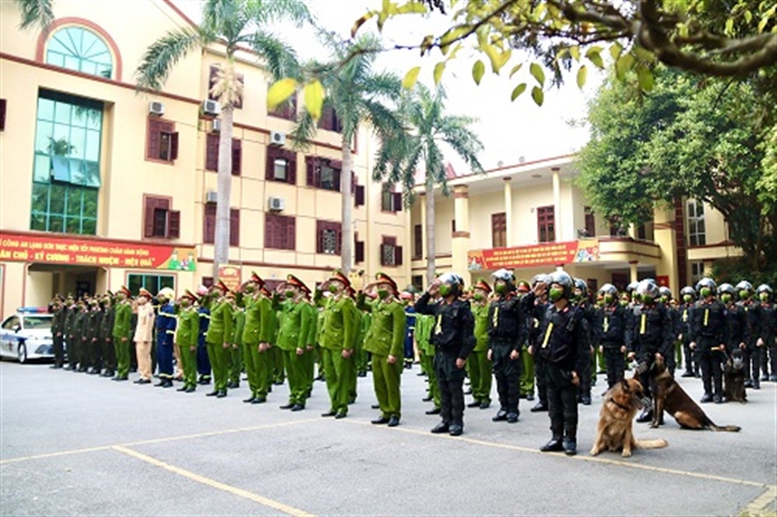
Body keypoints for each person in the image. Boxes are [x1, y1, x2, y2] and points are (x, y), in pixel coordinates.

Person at [527, 270, 588, 456]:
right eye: (551, 286)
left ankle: (570, 439)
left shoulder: (576, 315)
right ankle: (556, 437)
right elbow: (524, 310)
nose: (553, 290)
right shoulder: (547, 310)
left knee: (569, 407)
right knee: (553, 406)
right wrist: (533, 295)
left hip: (566, 367)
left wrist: (577, 371)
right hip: (548, 366)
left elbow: (583, 348)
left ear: (566, 290)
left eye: (557, 287)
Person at [415, 273, 475, 437]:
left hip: (453, 353)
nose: (442, 287)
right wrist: (429, 292)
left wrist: (462, 356)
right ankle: (445, 419)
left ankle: (457, 421)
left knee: (455, 390)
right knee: (443, 389)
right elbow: (419, 308)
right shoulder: (439, 306)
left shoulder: (462, 308)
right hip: (440, 353)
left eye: (446, 284)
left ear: (455, 288)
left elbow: (469, 336)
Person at [359, 272, 406, 427]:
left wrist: (393, 353)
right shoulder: (377, 304)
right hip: (376, 348)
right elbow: (360, 305)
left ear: (392, 289)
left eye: (384, 286)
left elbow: (398, 333)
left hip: (387, 350)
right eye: (379, 287)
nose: (380, 289)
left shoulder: (396, 307)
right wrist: (364, 291)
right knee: (378, 383)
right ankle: (384, 410)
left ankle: (394, 412)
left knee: (391, 383)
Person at [628, 279, 674, 420]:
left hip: (656, 352)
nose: (644, 295)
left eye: (647, 292)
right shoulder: (636, 310)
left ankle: (659, 411)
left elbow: (668, 333)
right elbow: (630, 330)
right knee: (641, 382)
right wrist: (631, 349)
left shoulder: (662, 310)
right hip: (642, 352)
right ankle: (647, 409)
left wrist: (662, 351)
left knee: (658, 384)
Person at [318, 270, 359, 419]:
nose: (332, 285)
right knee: (330, 376)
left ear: (342, 286)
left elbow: (349, 327)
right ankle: (334, 404)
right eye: (331, 282)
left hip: (339, 344)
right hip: (327, 342)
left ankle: (342, 406)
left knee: (341, 376)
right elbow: (317, 299)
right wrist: (320, 288)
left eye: (336, 283)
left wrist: (347, 346)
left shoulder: (346, 302)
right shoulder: (330, 301)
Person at [487, 269, 525, 423]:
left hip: (510, 345)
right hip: (497, 346)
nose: (498, 285)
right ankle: (503, 407)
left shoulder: (517, 303)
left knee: (511, 379)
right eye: (497, 282)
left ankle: (513, 409)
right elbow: (491, 326)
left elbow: (523, 327)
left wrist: (517, 348)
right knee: (499, 377)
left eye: (501, 282)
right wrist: (491, 346)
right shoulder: (495, 303)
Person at [276, 274, 313, 411]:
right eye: (287, 288)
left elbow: (305, 328)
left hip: (295, 342)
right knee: (290, 373)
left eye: (290, 287)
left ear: (298, 289)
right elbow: (275, 306)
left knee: (299, 373)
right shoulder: (288, 303)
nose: (287, 290)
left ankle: (300, 398)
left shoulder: (304, 306)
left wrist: (301, 345)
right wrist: (277, 293)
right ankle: (292, 396)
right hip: (285, 342)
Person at [689, 278, 727, 403]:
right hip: (701, 340)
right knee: (705, 369)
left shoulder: (719, 306)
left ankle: (718, 393)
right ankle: (707, 392)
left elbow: (725, 325)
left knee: (716, 369)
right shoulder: (696, 306)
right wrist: (693, 339)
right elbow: (692, 324)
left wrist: (723, 342)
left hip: (715, 340)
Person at [593, 283, 629, 390]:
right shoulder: (601, 311)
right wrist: (600, 343)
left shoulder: (621, 310)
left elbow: (626, 327)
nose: (606, 296)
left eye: (609, 294)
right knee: (609, 369)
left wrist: (625, 343)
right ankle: (610, 388)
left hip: (618, 345)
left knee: (618, 369)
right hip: (606, 344)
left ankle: (619, 388)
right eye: (604, 294)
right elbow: (598, 327)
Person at [205, 282, 234, 398]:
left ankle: (223, 387)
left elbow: (228, 324)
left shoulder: (225, 305)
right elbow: (203, 303)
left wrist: (227, 340)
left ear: (222, 291)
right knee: (214, 364)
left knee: (221, 364)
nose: (215, 291)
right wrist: (208, 294)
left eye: (217, 289)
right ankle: (217, 386)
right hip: (211, 336)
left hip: (220, 337)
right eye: (214, 289)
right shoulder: (214, 303)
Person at [468, 279, 492, 411]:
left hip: (483, 344)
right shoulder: (472, 308)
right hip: (471, 344)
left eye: (479, 291)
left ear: (486, 293)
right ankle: (476, 395)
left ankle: (484, 396)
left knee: (484, 372)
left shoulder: (489, 308)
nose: (476, 293)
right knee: (473, 371)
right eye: (475, 290)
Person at [735, 281, 761, 389]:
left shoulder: (756, 306)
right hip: (743, 337)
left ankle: (756, 379)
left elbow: (762, 322)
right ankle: (747, 378)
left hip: (754, 336)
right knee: (744, 359)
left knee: (755, 359)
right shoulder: (738, 306)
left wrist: (761, 337)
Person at [175, 290, 200, 393]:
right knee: (184, 363)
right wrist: (177, 302)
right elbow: (175, 310)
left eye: (186, 299)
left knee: (190, 363)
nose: (183, 300)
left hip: (188, 340)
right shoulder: (183, 311)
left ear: (191, 301)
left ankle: (191, 382)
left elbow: (195, 330)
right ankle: (186, 381)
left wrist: (193, 343)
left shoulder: (193, 313)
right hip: (181, 339)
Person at [154, 287, 177, 388]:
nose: (160, 298)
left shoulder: (170, 309)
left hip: (165, 334)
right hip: (159, 334)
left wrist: (167, 338)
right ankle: (162, 376)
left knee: (166, 357)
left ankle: (169, 378)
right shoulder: (161, 308)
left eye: (162, 296)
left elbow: (171, 324)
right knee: (160, 357)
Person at [133, 288, 155, 385]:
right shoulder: (141, 308)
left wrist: (146, 337)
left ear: (147, 298)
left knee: (145, 356)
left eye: (143, 297)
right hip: (139, 335)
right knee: (140, 356)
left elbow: (149, 324)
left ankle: (147, 376)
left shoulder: (149, 308)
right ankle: (142, 374)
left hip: (145, 336)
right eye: (140, 296)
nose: (140, 298)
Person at [755, 284, 776, 382]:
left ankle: (774, 372)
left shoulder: (774, 307)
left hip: (773, 333)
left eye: (765, 293)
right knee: (762, 354)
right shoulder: (757, 307)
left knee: (774, 354)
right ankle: (764, 372)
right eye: (761, 293)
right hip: (761, 333)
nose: (763, 295)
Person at [112, 286, 133, 381]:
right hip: (116, 332)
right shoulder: (118, 305)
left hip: (122, 333)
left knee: (124, 353)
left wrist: (125, 334)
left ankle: (124, 372)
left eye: (120, 293)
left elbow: (126, 322)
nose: (118, 295)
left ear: (125, 295)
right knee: (118, 353)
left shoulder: (127, 306)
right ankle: (119, 370)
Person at [678, 286, 698, 378]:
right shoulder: (681, 308)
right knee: (686, 351)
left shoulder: (695, 307)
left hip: (693, 331)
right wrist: (680, 332)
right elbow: (680, 320)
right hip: (685, 332)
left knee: (696, 351)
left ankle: (697, 370)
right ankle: (688, 369)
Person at [99, 293, 116, 378]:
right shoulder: (106, 310)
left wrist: (108, 335)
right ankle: (107, 368)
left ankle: (110, 369)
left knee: (109, 353)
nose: (106, 303)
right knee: (105, 353)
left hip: (108, 334)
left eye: (107, 301)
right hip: (103, 334)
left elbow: (110, 324)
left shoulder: (112, 311)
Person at [50, 295, 66, 369]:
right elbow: (49, 309)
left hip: (58, 330)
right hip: (54, 330)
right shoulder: (56, 310)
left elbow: (62, 322)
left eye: (58, 301)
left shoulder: (62, 311)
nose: (56, 302)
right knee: (56, 347)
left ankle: (60, 362)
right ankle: (56, 361)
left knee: (59, 347)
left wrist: (60, 331)